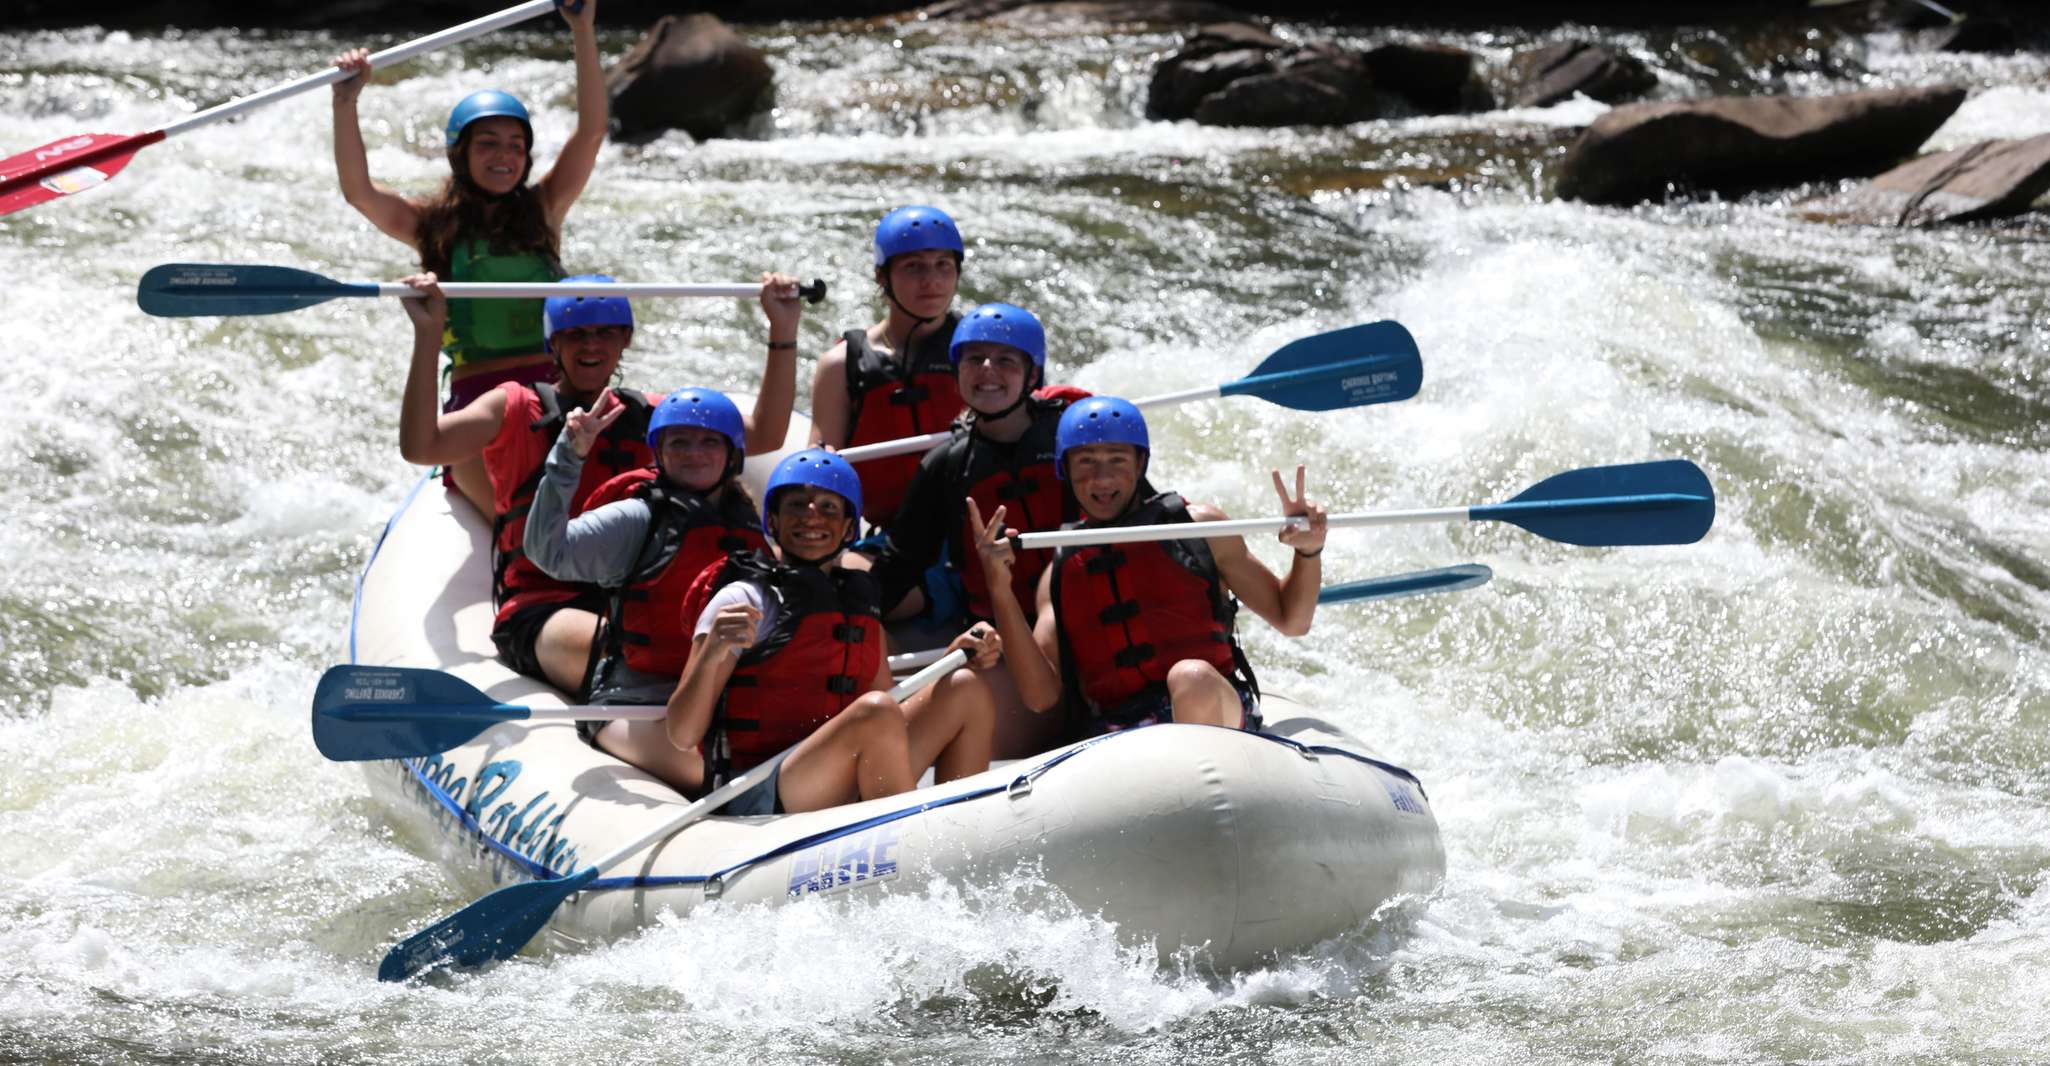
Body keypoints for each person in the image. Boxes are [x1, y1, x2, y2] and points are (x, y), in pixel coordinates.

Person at [396, 272, 803, 695]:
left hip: (640, 598)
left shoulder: (650, 416)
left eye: (606, 333)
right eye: (577, 334)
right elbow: (422, 445)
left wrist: (782, 330)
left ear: (625, 338)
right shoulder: (515, 406)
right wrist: (428, 334)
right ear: (553, 343)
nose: (592, 345)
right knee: (630, 652)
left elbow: (766, 435)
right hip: (544, 606)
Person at [591, 449, 1000, 815]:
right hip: (760, 785)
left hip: (842, 763)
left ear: (847, 529)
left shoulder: (859, 596)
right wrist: (713, 650)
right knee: (875, 713)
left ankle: (962, 829)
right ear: (773, 520)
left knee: (963, 686)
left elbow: (887, 698)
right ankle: (909, 846)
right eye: (796, 506)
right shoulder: (744, 598)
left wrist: (952, 657)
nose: (810, 516)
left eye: (827, 507)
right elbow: (681, 734)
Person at [331, 0, 606, 516]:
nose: (504, 157)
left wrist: (583, 30)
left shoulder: (544, 210)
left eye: (515, 146)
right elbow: (359, 193)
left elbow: (590, 133)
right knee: (517, 511)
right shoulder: (432, 226)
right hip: (480, 405)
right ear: (461, 153)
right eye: (488, 144)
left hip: (561, 392)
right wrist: (345, 105)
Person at [967, 396, 1329, 737]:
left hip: (1212, 706)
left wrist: (1308, 553)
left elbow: (1292, 620)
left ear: (1140, 464)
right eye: (1086, 461)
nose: (1102, 478)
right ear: (1065, 469)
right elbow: (1039, 698)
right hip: (1122, 735)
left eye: (1117, 460)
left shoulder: (1198, 526)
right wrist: (1000, 587)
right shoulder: (1061, 570)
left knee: (1192, 678)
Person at [522, 388, 770, 711]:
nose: (694, 452)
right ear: (659, 454)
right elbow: (548, 551)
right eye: (679, 442)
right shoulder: (638, 519)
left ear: (732, 456)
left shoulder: (748, 524)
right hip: (638, 700)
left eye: (709, 442)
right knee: (703, 759)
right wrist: (569, 456)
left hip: (719, 698)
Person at [867, 302, 1081, 628]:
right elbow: (900, 566)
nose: (986, 369)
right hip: (1003, 633)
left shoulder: (1073, 436)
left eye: (1005, 360)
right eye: (973, 359)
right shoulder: (947, 464)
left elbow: (1133, 513)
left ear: (1033, 374)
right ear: (957, 371)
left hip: (1087, 609)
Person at [808, 205, 967, 529]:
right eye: (913, 267)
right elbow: (820, 470)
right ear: (882, 277)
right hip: (889, 537)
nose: (932, 280)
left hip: (976, 530)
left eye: (943, 266)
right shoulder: (841, 365)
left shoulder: (981, 353)